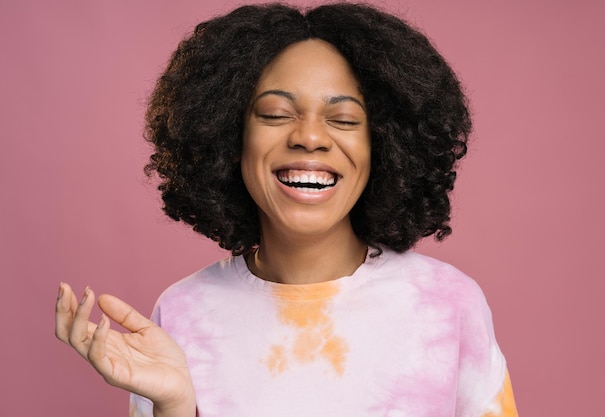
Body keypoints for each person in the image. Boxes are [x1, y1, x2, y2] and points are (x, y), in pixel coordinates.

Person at [55, 3, 519, 417]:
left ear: (386, 145)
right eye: (276, 114)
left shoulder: (447, 304)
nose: (309, 137)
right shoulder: (182, 313)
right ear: (230, 137)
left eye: (343, 119)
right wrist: (174, 407)